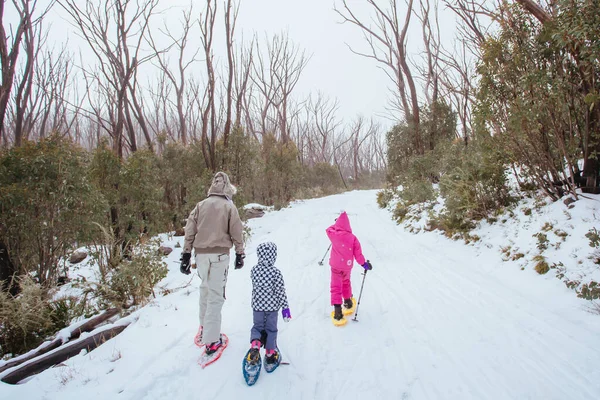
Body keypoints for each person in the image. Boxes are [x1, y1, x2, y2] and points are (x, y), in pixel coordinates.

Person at [180, 171, 245, 355]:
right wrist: (240, 253)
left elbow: (189, 230)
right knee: (216, 295)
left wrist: (186, 254)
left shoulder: (200, 205)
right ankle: (212, 341)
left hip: (200, 256)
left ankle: (204, 329)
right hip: (220, 256)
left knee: (205, 290)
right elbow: (236, 232)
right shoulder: (229, 207)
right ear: (227, 187)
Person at [246, 242, 291, 367]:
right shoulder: (276, 273)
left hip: (257, 306)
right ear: (273, 256)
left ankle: (255, 345)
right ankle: (270, 354)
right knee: (271, 330)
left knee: (257, 327)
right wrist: (285, 308)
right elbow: (280, 291)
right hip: (272, 308)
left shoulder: (254, 270)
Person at [326, 211, 372, 322]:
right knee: (346, 283)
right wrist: (364, 264)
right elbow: (358, 254)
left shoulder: (333, 234)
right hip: (347, 266)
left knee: (335, 287)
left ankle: (337, 311)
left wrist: (336, 225)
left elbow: (328, 229)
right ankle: (347, 301)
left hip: (335, 266)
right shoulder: (353, 238)